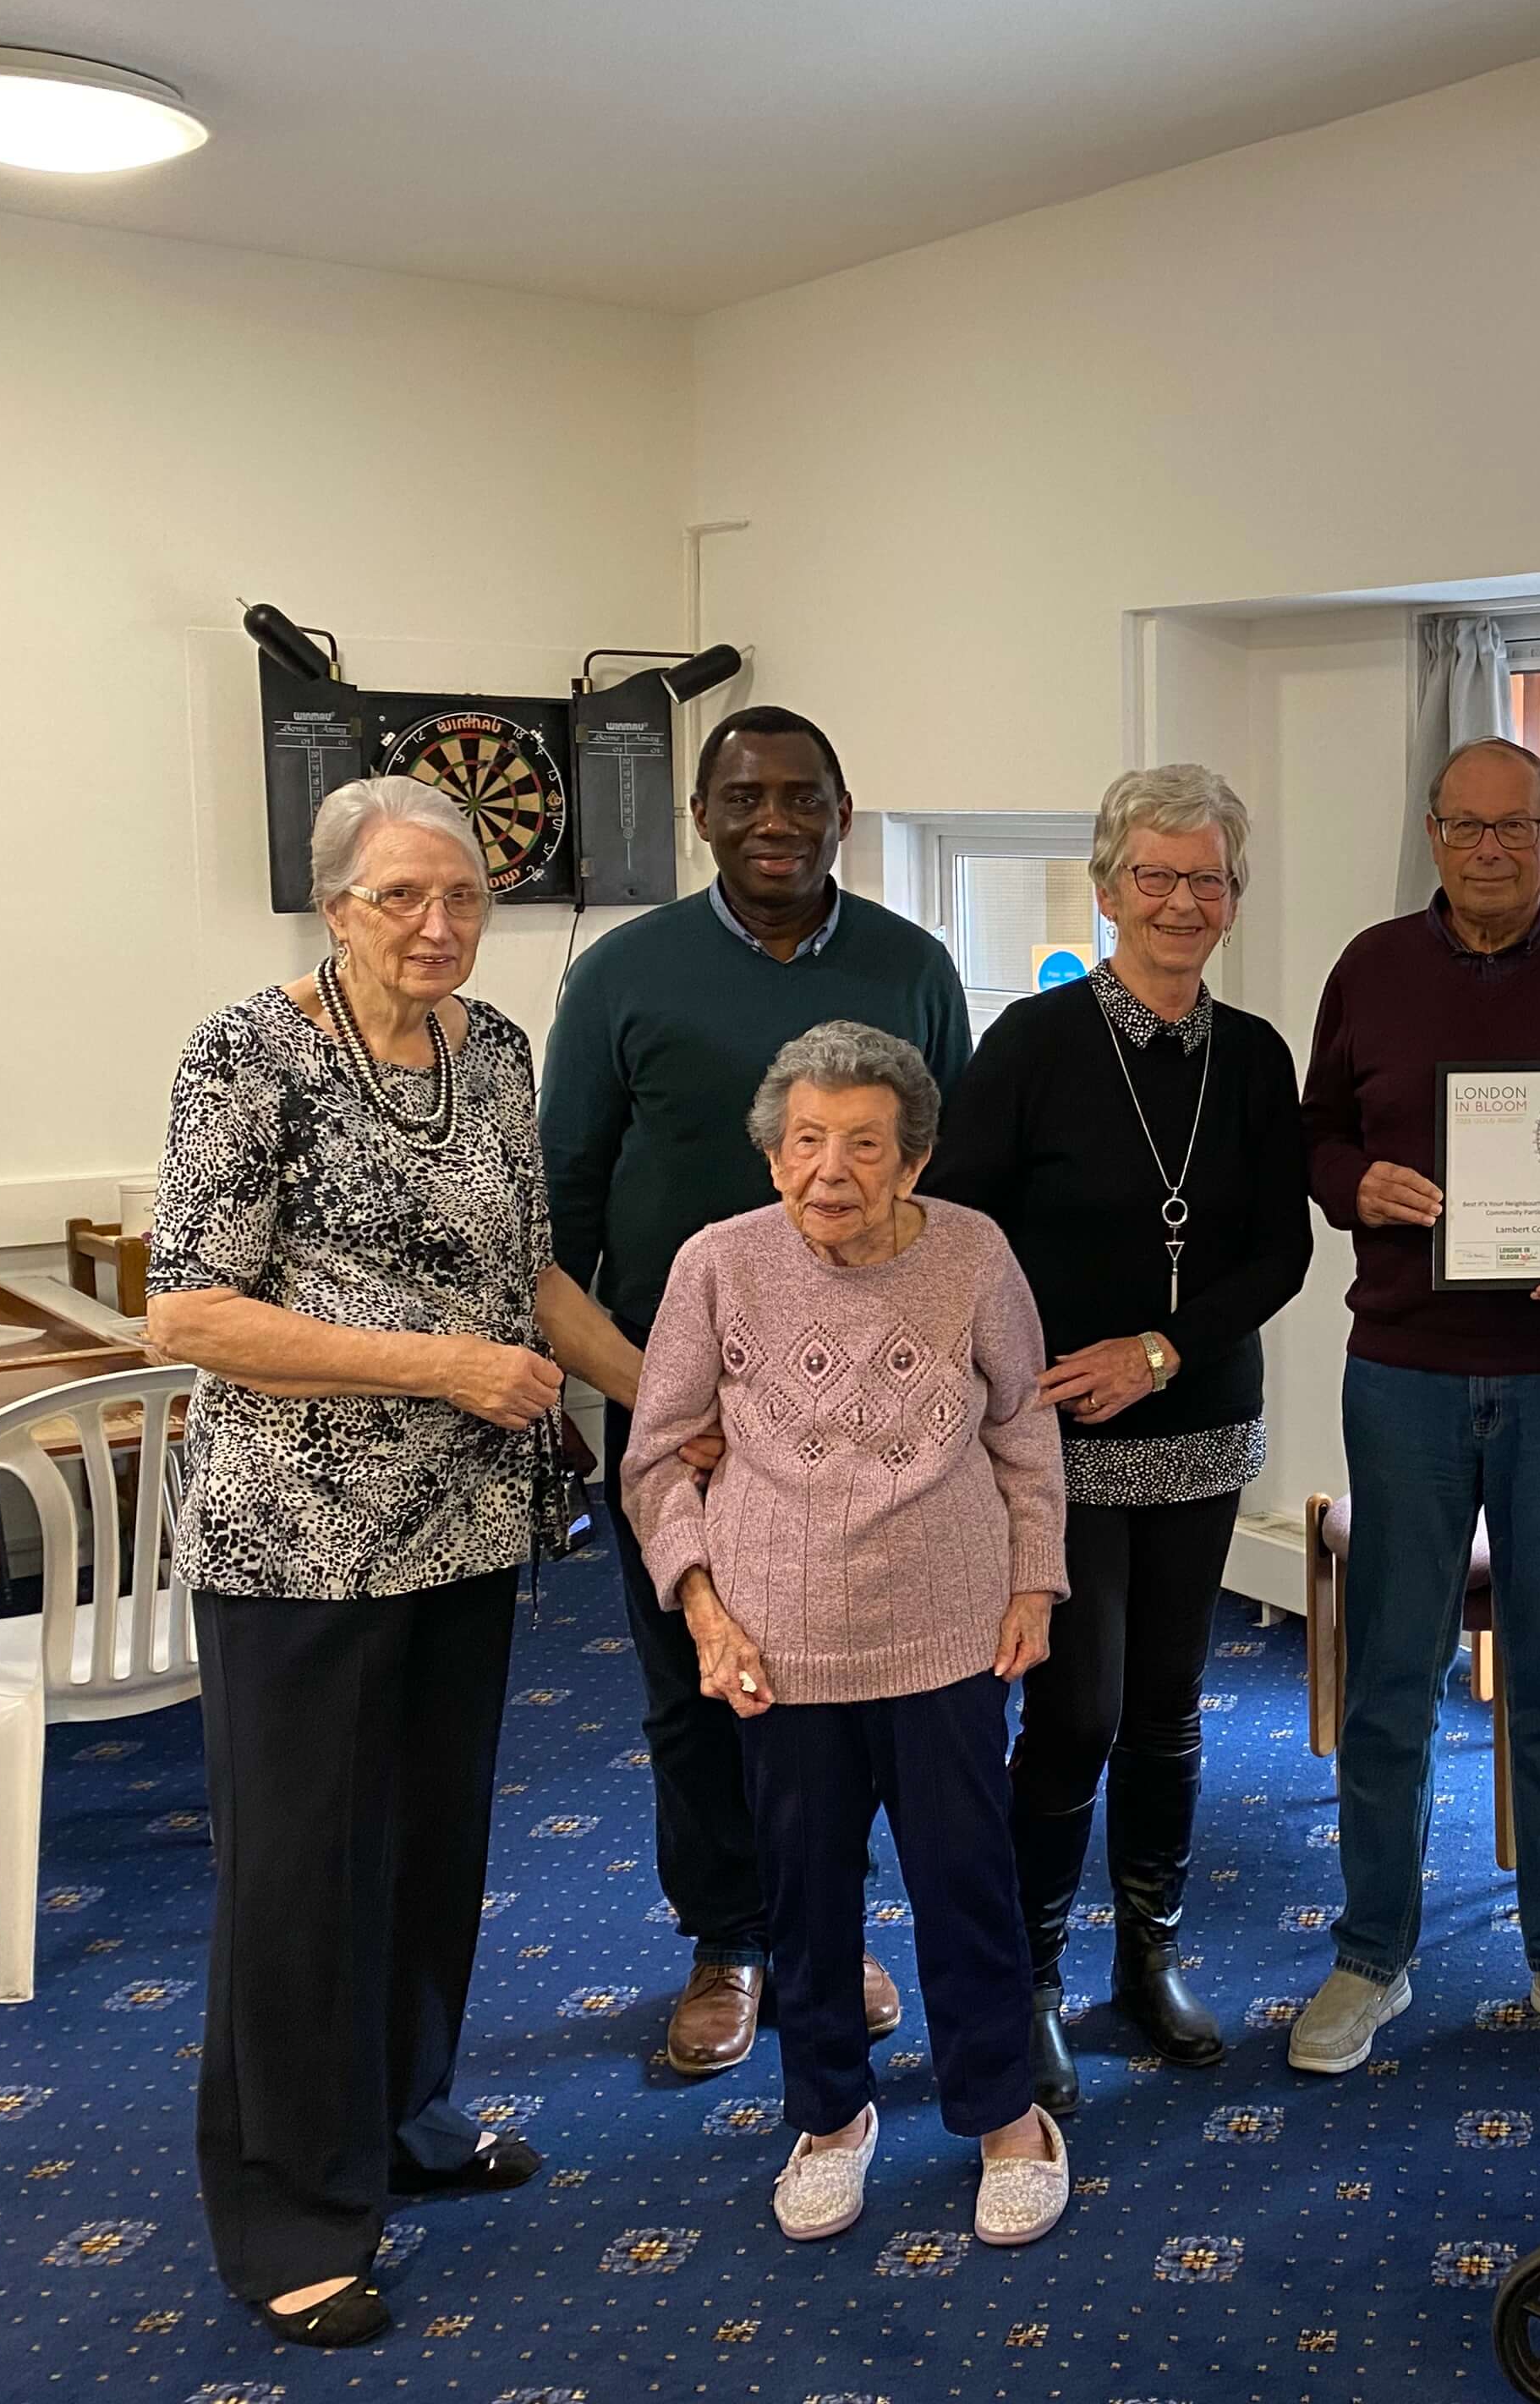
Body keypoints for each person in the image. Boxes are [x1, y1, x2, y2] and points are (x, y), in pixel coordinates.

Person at [144, 777, 650, 2347]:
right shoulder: (250, 1052)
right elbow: (190, 1312)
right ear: (332, 902)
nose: (438, 926)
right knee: (301, 1878)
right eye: (398, 898)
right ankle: (292, 2203)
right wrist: (440, 1364)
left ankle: (405, 2115)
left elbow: (530, 1274)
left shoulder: (494, 1050)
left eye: (464, 897)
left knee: (427, 1852)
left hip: (466, 1526)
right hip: (298, 1543)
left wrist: (671, 1394)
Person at [542, 704, 972, 2078]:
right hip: (677, 1411)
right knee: (692, 1681)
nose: (773, 820)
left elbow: (951, 1195)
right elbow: (556, 1212)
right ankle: (726, 1937)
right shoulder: (621, 974)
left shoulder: (912, 967)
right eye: (744, 799)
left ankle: (823, 1927)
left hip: (867, 1408)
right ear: (702, 818)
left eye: (801, 796)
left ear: (844, 810)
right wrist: (651, 1397)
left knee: (839, 1687)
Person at [621, 1022, 1072, 2248]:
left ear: (913, 1159)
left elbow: (1025, 1434)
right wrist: (704, 1608)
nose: (832, 1169)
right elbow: (655, 1461)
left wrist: (1035, 1581)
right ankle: (830, 2114)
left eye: (865, 1145)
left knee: (965, 1882)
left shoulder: (974, 1254)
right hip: (777, 1641)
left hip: (947, 1629)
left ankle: (1004, 2116)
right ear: (771, 1157)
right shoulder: (717, 1266)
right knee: (804, 1894)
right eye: (806, 1142)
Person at [1289, 736, 1540, 2078]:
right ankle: (1371, 1957)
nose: (1488, 848)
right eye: (1465, 825)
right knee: (1393, 1675)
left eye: (1515, 827)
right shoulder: (1370, 968)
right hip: (1403, 1368)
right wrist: (1361, 1189)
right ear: (1432, 833)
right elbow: (1316, 1136)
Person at [932, 764, 1312, 2119]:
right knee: (1076, 1709)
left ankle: (1145, 1957)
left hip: (1201, 1423)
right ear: (1105, 890)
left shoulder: (1256, 1056)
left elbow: (1282, 1252)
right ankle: (1030, 1978)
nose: (1180, 901)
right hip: (1054, 1438)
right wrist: (1023, 1377)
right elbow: (959, 1236)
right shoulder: (1029, 1046)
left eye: (1206, 878)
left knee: (1166, 1708)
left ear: (1232, 899)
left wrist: (1159, 1349)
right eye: (1153, 876)